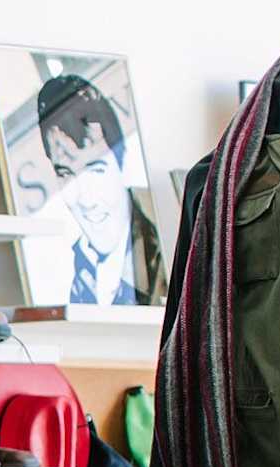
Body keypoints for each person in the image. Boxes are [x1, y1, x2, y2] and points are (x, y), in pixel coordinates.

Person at [36, 73, 163, 304]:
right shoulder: (74, 267)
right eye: (65, 174)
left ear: (122, 165)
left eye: (96, 170)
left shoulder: (162, 259)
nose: (85, 198)